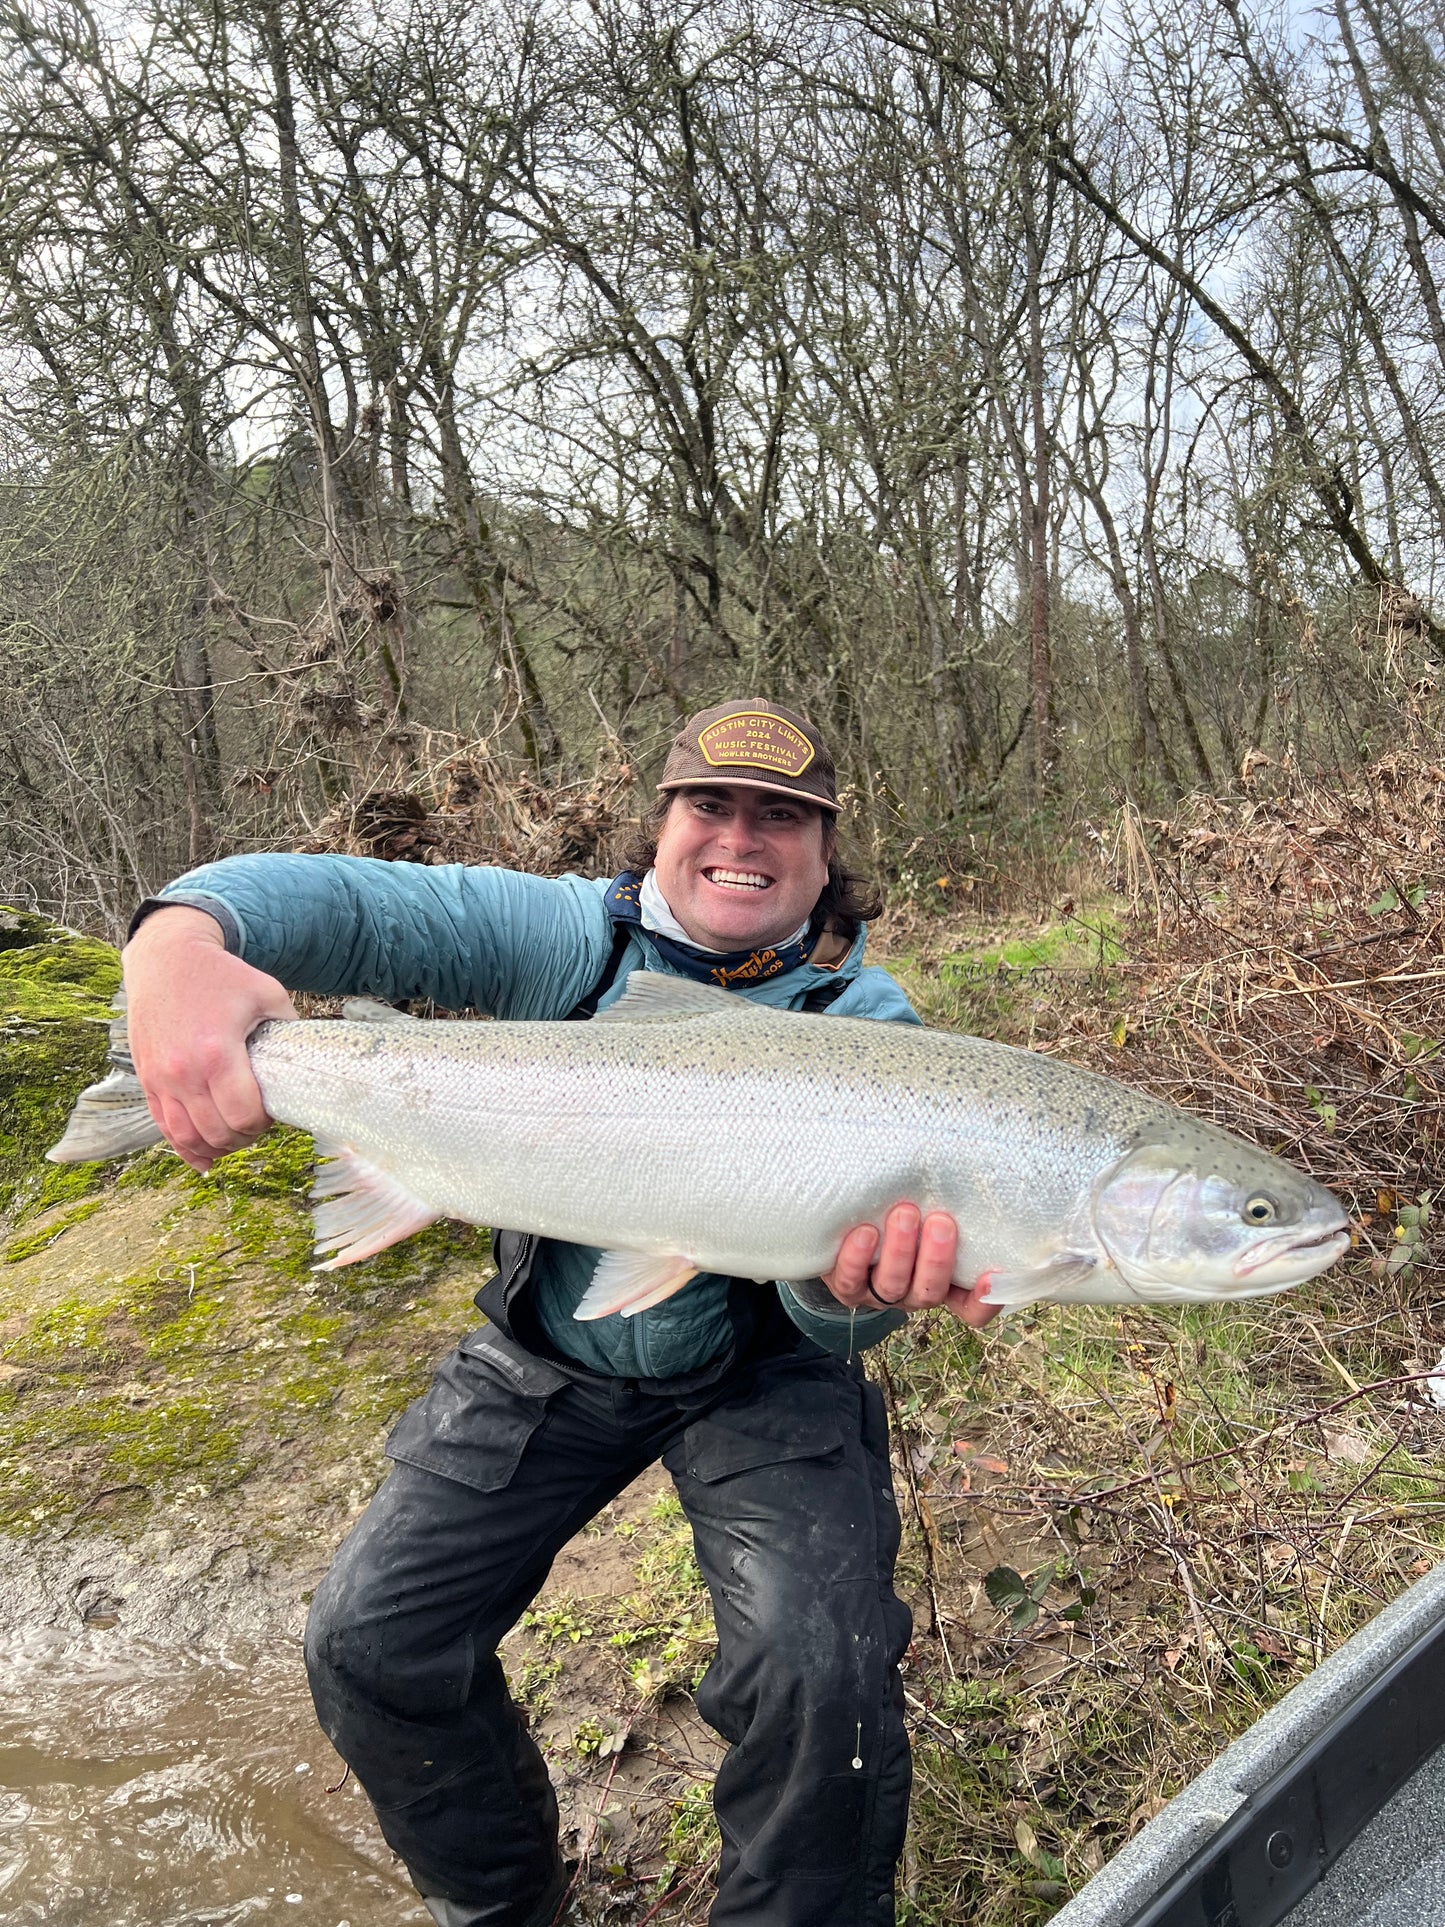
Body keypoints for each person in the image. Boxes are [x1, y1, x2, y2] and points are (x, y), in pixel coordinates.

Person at [120, 699, 995, 1927]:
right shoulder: (564, 935)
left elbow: (841, 1327)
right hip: (552, 1350)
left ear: (821, 848)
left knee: (819, 1670)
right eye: (712, 805)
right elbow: (355, 904)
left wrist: (848, 1293)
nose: (740, 837)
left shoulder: (871, 1029)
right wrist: (174, 937)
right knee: (368, 1642)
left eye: (780, 816)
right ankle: (507, 1908)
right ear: (665, 826)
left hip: (761, 1371)